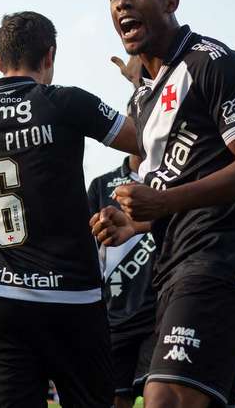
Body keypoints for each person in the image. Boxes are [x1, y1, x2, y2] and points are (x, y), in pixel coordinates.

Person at [93, 0, 235, 408]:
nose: (122, 2)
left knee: (165, 397)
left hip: (224, 253)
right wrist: (136, 224)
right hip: (176, 259)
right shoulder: (143, 96)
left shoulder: (213, 63)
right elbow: (183, 182)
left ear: (170, 2)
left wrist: (162, 202)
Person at [0, 11, 138, 408]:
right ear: (50, 56)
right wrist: (140, 86)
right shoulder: (65, 102)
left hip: (2, 302)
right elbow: (139, 140)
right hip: (73, 299)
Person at [88, 150, 157, 408]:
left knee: (160, 393)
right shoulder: (101, 185)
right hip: (114, 315)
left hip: (160, 312)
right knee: (117, 398)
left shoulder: (169, 180)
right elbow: (87, 251)